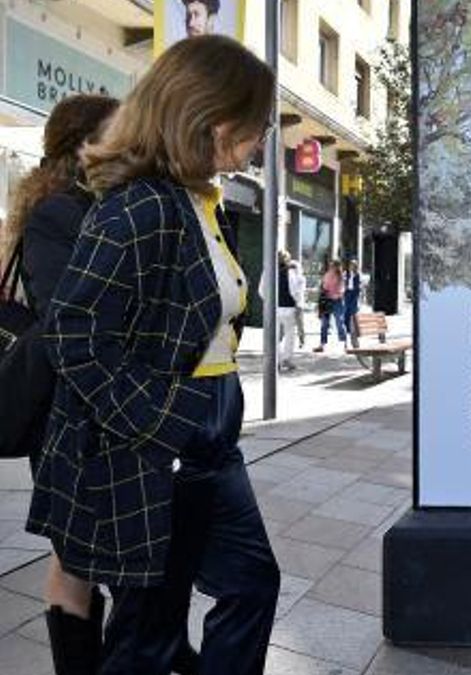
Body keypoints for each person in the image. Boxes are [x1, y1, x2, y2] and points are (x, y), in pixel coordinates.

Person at [26, 35, 280, 675]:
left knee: (250, 585)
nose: (263, 139)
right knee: (149, 633)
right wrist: (164, 423)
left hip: (212, 437)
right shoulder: (142, 206)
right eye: (259, 124)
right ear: (214, 118)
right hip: (160, 441)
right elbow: (75, 334)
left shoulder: (200, 201)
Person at [6, 94, 204, 675]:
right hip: (64, 415)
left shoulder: (119, 204)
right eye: (122, 131)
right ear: (85, 144)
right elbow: (68, 314)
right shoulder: (57, 213)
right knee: (78, 561)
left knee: (110, 557)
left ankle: (149, 648)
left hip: (113, 408)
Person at [259, 250, 304, 372]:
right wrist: (299, 304)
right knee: (290, 335)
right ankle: (286, 359)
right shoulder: (292, 271)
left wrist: (268, 301)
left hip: (274, 308)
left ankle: (277, 360)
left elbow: (261, 290)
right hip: (289, 308)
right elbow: (297, 290)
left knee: (274, 335)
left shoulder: (268, 270)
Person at [314, 259, 346, 353]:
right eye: (331, 266)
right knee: (325, 323)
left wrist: (337, 294)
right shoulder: (327, 275)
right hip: (327, 301)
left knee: (339, 322)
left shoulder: (341, 276)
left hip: (337, 301)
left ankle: (345, 342)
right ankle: (322, 344)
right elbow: (324, 287)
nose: (331, 267)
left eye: (333, 266)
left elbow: (342, 289)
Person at [342, 259, 362, 347]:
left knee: (353, 313)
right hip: (347, 294)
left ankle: (355, 332)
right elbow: (343, 282)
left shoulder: (357, 275)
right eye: (351, 265)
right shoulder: (346, 274)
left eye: (353, 265)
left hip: (354, 294)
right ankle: (347, 331)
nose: (351, 267)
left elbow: (359, 286)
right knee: (346, 313)